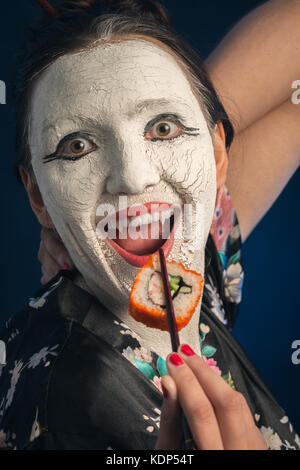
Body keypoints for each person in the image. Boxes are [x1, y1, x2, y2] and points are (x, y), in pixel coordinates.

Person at [0, 0, 299, 450]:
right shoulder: (72, 409)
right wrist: (172, 114)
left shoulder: (194, 269)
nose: (135, 178)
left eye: (162, 129)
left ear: (217, 155)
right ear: (37, 195)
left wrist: (183, 103)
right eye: (77, 145)